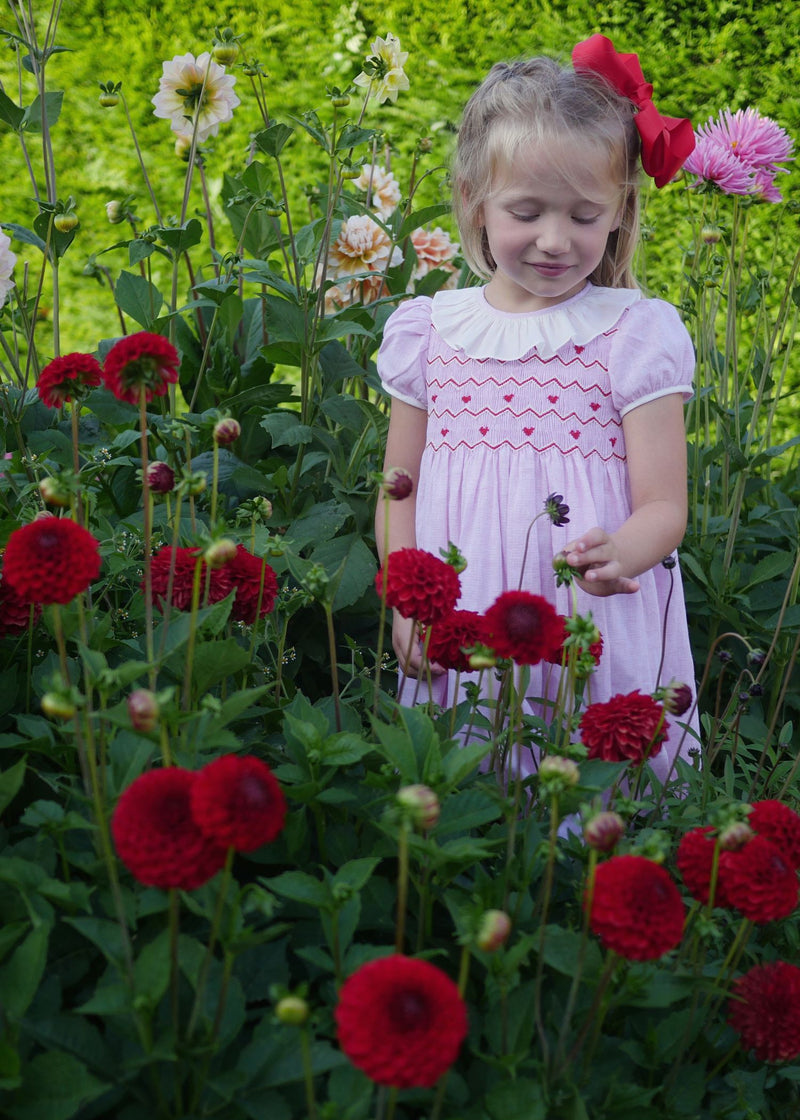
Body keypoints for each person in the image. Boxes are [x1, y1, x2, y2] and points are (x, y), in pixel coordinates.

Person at [375, 35, 699, 780]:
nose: (556, 241)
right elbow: (400, 488)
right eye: (527, 211)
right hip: (462, 619)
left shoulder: (632, 333)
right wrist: (405, 599)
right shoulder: (430, 331)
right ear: (474, 202)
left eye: (585, 216)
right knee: (465, 794)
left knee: (591, 797)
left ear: (619, 211)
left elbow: (663, 505)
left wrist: (624, 552)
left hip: (593, 616)